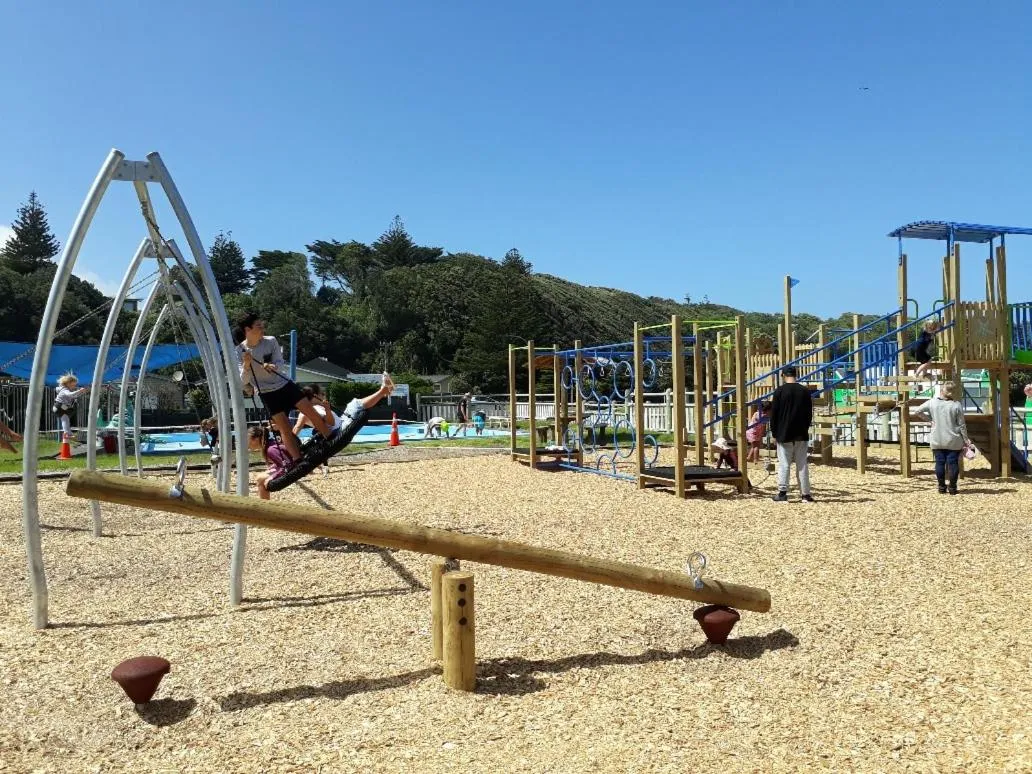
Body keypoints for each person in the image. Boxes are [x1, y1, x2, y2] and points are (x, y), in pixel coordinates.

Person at [235, 313, 335, 463]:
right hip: (267, 393)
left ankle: (332, 439)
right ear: (247, 329)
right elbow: (243, 380)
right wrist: (246, 364)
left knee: (310, 410)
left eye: (262, 325)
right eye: (258, 326)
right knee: (284, 427)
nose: (263, 328)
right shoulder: (239, 351)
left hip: (284, 384)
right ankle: (297, 460)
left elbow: (280, 364)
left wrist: (274, 366)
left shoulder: (271, 341)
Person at [909, 382, 970, 495]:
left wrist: (929, 420)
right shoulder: (956, 405)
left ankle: (941, 487)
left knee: (939, 463)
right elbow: (962, 425)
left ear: (942, 390)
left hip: (937, 438)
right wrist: (966, 440)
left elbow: (917, 411)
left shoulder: (932, 402)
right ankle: (952, 488)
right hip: (953, 439)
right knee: (953, 464)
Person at [769, 366, 814, 503]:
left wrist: (775, 432)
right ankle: (805, 494)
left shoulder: (779, 391)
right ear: (796, 375)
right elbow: (809, 414)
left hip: (784, 432)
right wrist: (805, 428)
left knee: (784, 464)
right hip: (801, 432)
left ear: (783, 376)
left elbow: (774, 414)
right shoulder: (805, 391)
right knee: (802, 464)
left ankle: (783, 493)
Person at [293, 386, 340, 476]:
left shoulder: (315, 409)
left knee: (304, 447)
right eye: (322, 394)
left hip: (332, 433)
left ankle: (313, 467)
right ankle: (320, 466)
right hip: (333, 431)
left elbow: (331, 422)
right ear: (315, 396)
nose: (324, 397)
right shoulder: (317, 408)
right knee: (314, 436)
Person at [248, 424, 294, 500]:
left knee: (260, 479)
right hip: (286, 467)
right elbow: (280, 462)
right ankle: (263, 502)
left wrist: (273, 476)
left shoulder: (271, 449)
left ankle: (265, 505)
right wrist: (272, 468)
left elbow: (288, 464)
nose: (247, 443)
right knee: (260, 477)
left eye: (248, 440)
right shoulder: (269, 446)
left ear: (256, 439)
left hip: (291, 468)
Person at [53, 373, 89, 441]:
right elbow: (70, 395)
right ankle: (67, 433)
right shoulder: (64, 390)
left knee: (66, 419)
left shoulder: (63, 390)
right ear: (68, 383)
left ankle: (68, 433)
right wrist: (80, 390)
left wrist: (81, 392)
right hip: (60, 406)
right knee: (69, 412)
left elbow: (74, 396)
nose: (74, 387)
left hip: (58, 406)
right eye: (73, 385)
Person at [912, 320, 940, 387]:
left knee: (927, 360)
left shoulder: (929, 332)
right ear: (928, 326)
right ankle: (916, 374)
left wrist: (936, 329)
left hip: (920, 349)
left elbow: (935, 330)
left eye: (933, 326)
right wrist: (935, 330)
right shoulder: (925, 331)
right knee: (927, 362)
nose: (932, 328)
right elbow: (932, 330)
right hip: (919, 348)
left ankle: (924, 373)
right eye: (931, 326)